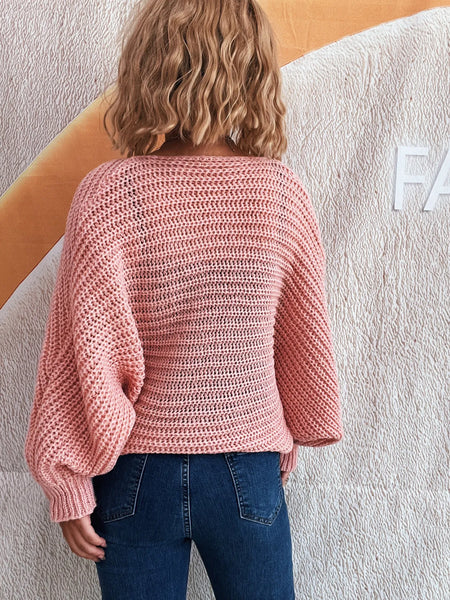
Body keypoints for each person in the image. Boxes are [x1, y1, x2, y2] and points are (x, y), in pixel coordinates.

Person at [24, 1, 344, 598]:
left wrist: (66, 480)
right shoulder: (279, 192)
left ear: (148, 67)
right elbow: (302, 337)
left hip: (137, 471)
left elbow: (81, 354)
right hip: (247, 463)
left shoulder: (108, 194)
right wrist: (285, 430)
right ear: (253, 71)